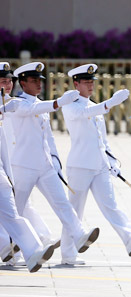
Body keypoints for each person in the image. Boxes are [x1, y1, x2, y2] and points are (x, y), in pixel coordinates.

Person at [7, 63, 100, 260]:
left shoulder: (40, 104)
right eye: (33, 81)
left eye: (40, 80)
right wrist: (58, 102)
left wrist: (56, 161)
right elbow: (33, 109)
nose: (38, 84)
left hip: (44, 165)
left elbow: (48, 137)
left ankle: (79, 234)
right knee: (17, 209)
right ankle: (9, 247)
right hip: (23, 166)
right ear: (22, 83)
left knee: (62, 202)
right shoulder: (18, 103)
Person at [60, 64, 131, 265]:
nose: (91, 85)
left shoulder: (94, 106)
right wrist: (111, 103)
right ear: (76, 84)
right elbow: (86, 113)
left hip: (99, 165)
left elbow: (102, 140)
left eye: (92, 82)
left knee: (111, 204)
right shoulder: (71, 105)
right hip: (80, 166)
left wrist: (111, 161)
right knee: (75, 210)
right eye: (86, 82)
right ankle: (68, 253)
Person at [0, 63, 56, 272]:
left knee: (13, 213)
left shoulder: (15, 104)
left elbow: (5, 145)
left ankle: (33, 253)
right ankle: (6, 247)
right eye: (2, 81)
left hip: (3, 172)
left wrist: (8, 173)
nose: (7, 85)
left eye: (9, 81)